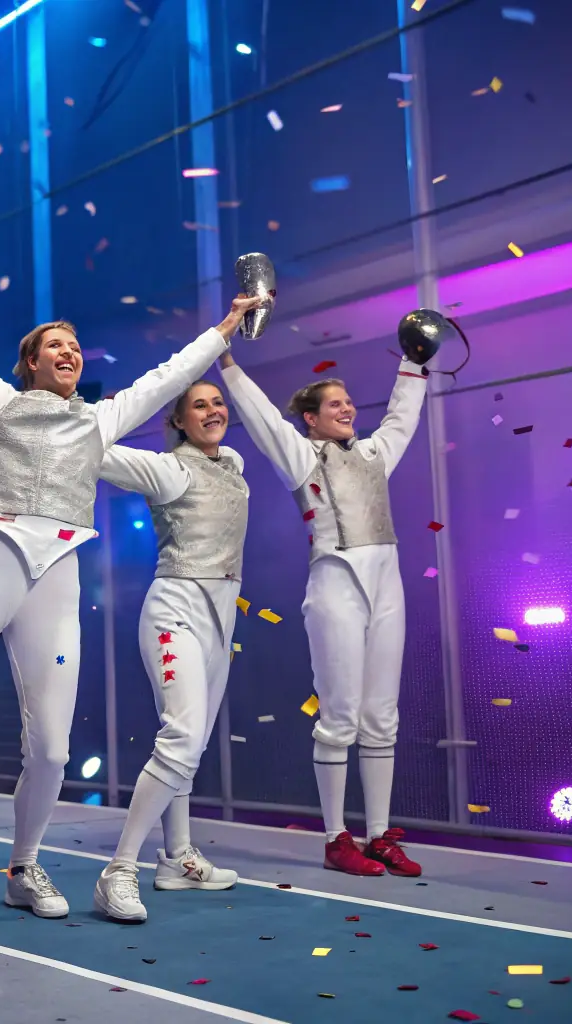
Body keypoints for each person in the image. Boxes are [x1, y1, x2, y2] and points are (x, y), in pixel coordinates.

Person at [0, 188, 260, 919]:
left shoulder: (100, 422)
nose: (69, 351)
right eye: (54, 345)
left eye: (75, 345)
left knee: (49, 753)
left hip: (57, 576)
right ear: (29, 363)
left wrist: (225, 328)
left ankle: (24, 867)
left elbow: (167, 376)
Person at [218, 347, 429, 877]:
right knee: (339, 716)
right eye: (334, 404)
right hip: (334, 584)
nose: (347, 409)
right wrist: (227, 365)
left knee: (382, 716)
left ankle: (378, 834)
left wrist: (415, 364)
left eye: (349, 402)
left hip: (387, 586)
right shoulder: (301, 455)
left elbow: (403, 415)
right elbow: (265, 419)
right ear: (311, 417)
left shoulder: (376, 454)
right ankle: (338, 837)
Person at [91, 378, 248, 921]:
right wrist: (64, 422)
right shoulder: (168, 468)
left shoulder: (233, 464)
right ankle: (120, 870)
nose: (212, 410)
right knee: (180, 736)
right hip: (173, 614)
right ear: (178, 420)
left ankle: (177, 857)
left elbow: (227, 457)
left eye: (217, 402)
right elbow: (97, 453)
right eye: (198, 405)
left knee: (192, 746)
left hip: (221, 621)